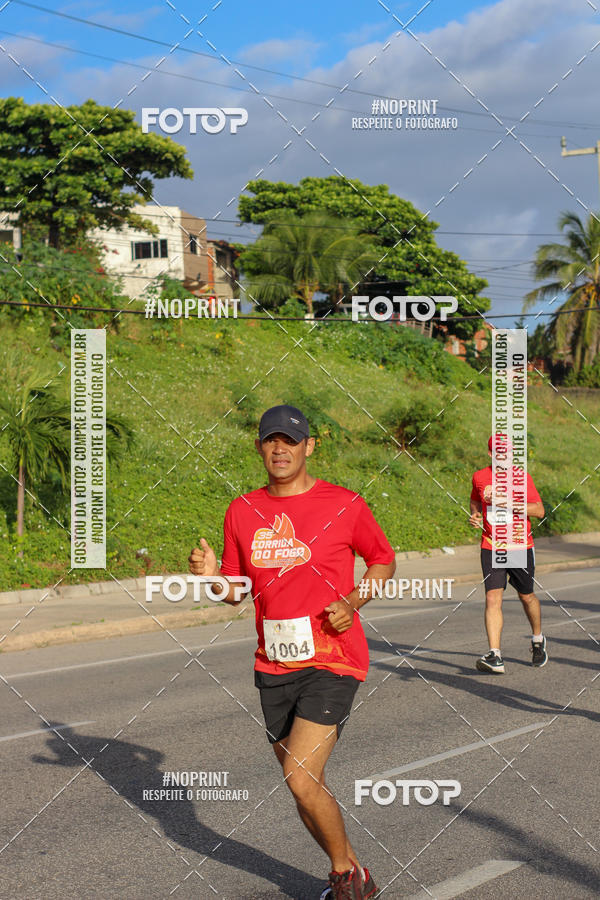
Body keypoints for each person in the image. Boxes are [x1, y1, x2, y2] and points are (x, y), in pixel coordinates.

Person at [189, 404, 396, 900]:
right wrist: (211, 578)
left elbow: (383, 559)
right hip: (274, 662)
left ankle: (347, 876)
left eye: (289, 440)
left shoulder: (343, 504)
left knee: (299, 775)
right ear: (260, 447)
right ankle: (350, 872)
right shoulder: (243, 510)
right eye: (270, 440)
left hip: (333, 657)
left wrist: (353, 599)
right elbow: (236, 590)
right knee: (302, 783)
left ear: (309, 447)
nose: (279, 449)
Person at [469, 433, 547, 673]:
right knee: (493, 598)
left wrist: (508, 502)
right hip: (491, 545)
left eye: (509, 454)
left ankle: (537, 639)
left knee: (527, 596)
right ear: (491, 455)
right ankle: (495, 655)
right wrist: (475, 515)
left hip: (519, 545)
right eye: (500, 454)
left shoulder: (523, 478)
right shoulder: (480, 477)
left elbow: (539, 511)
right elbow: (475, 500)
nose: (505, 458)